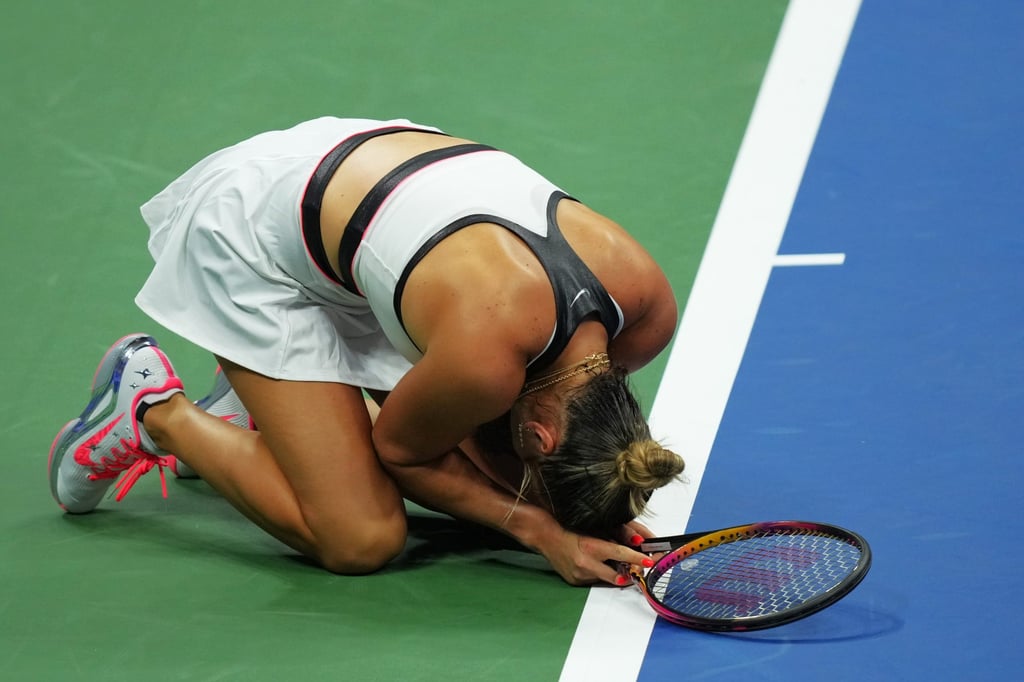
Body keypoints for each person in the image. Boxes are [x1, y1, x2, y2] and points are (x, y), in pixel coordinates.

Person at [48, 117, 685, 586]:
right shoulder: (484, 361)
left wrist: (598, 510)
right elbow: (405, 456)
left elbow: (510, 446)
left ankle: (264, 395)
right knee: (361, 537)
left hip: (362, 173)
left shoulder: (644, 312)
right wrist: (539, 527)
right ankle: (153, 407)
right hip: (254, 232)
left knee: (489, 466)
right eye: (535, 458)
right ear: (542, 436)